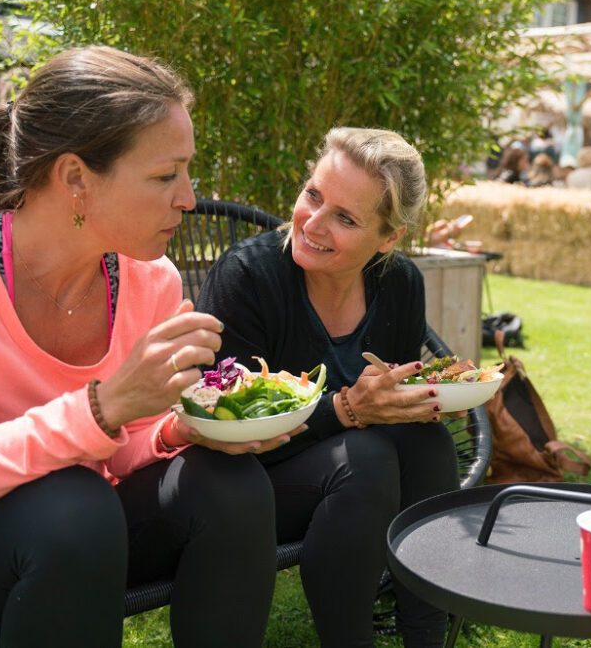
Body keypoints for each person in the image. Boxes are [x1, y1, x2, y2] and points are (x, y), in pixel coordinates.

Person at [0, 46, 282, 647]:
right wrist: (99, 409)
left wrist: (177, 430)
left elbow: (124, 451)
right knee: (76, 503)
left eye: (187, 172)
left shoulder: (152, 281)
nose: (188, 197)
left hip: (81, 541)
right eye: (165, 175)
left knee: (229, 484)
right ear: (75, 177)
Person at [196, 127, 457, 647]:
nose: (312, 223)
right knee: (364, 458)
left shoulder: (399, 283)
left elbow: (391, 405)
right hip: (241, 484)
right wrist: (345, 409)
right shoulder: (248, 276)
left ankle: (428, 637)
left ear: (388, 238)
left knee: (428, 442)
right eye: (313, 195)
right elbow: (226, 422)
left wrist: (419, 400)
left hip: (350, 482)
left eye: (345, 218)